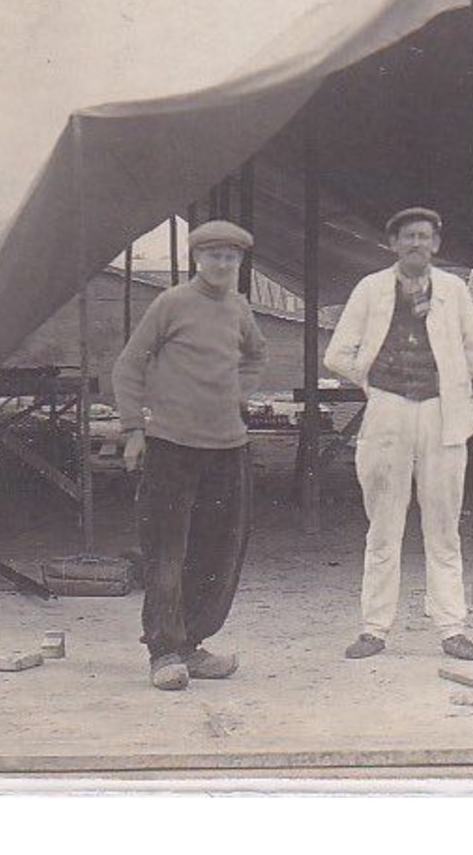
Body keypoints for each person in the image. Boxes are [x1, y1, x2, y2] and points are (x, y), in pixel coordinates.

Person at [325, 207, 473, 662]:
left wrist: (450, 379)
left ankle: (452, 627)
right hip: (388, 410)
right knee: (384, 523)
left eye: (425, 236)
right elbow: (337, 354)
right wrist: (372, 376)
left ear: (436, 244)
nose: (417, 244)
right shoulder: (371, 289)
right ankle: (374, 628)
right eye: (407, 237)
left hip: (442, 413)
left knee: (443, 524)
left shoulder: (455, 291)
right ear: (393, 244)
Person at [112, 219, 268, 691]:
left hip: (227, 447)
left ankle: (193, 645)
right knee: (166, 550)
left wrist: (235, 396)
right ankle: (164, 652)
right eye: (214, 255)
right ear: (198, 259)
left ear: (240, 263)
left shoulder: (239, 308)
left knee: (217, 550)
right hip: (171, 446)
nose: (222, 264)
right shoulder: (171, 303)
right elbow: (129, 363)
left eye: (231, 257)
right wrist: (135, 429)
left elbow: (256, 355)